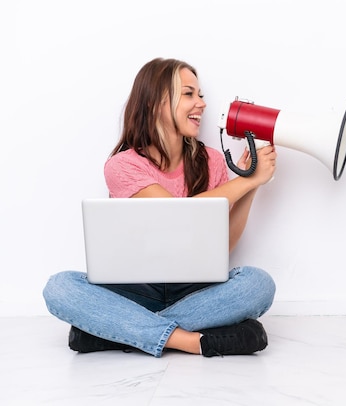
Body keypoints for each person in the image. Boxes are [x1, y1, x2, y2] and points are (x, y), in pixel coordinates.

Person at [42, 57, 277, 358]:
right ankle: (192, 341)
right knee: (60, 287)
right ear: (156, 103)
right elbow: (178, 219)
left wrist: (251, 184)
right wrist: (244, 183)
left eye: (200, 94)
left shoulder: (213, 162)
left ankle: (115, 334)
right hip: (138, 291)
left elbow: (224, 246)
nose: (201, 104)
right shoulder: (123, 166)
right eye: (189, 93)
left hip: (195, 290)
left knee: (258, 284)